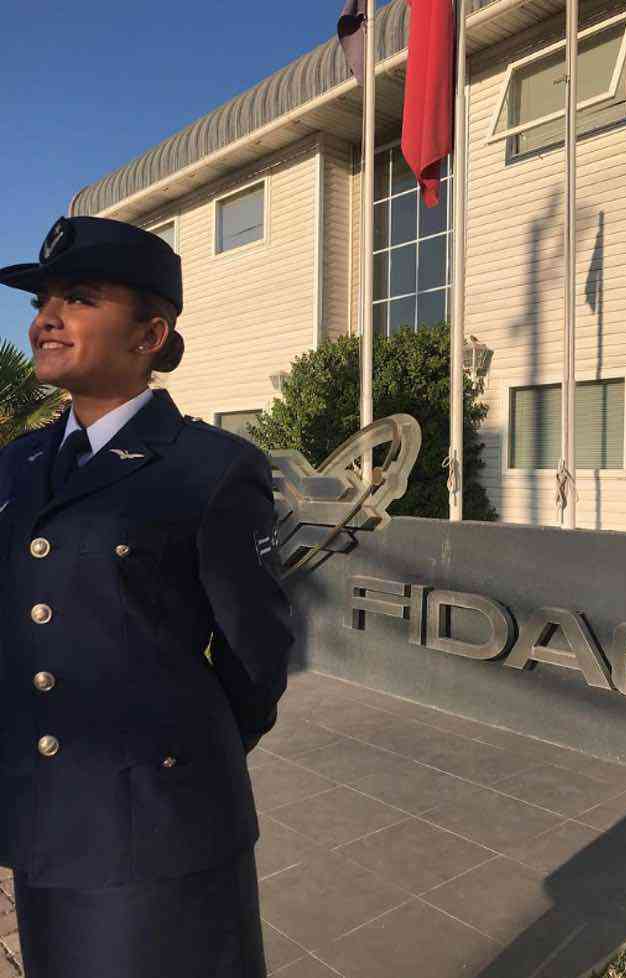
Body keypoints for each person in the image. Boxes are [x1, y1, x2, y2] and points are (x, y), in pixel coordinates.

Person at [0, 215, 296, 978]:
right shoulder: (16, 464)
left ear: (150, 335)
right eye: (41, 302)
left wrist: (171, 761)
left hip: (160, 828)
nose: (45, 319)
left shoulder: (211, 467)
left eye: (79, 298)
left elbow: (257, 656)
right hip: (42, 817)